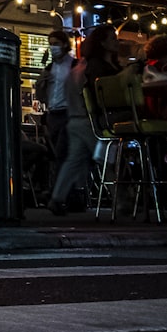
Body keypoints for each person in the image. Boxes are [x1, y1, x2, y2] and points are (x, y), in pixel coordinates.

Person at [47, 24, 123, 216]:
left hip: (74, 119)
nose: (117, 41)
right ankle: (120, 200)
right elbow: (105, 94)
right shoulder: (97, 68)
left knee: (74, 160)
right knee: (105, 160)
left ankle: (57, 197)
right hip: (91, 120)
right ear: (103, 43)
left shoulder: (79, 67)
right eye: (113, 38)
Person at [35, 30, 77, 178]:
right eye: (51, 44)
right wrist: (40, 85)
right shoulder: (49, 68)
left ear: (65, 44)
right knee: (53, 152)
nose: (53, 47)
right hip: (53, 114)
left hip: (69, 113)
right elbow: (41, 97)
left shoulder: (74, 65)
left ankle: (61, 189)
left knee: (62, 151)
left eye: (56, 44)